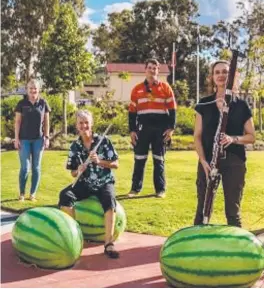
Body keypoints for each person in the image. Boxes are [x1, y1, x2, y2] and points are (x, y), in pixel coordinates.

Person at [193, 60, 255, 227]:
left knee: (233, 212)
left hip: (234, 162)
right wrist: (203, 161)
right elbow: (197, 136)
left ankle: (237, 250)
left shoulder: (241, 105)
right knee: (202, 210)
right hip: (208, 162)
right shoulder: (204, 104)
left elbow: (251, 136)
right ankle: (196, 247)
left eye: (225, 72)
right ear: (212, 77)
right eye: (217, 72)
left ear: (232, 76)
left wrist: (233, 139)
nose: (221, 75)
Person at [58, 110, 120, 258]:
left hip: (103, 181)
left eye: (86, 122)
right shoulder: (75, 146)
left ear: (91, 124)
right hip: (85, 183)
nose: (84, 125)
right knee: (65, 195)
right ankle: (74, 239)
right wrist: (78, 170)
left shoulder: (103, 141)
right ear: (76, 126)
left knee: (110, 200)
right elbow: (73, 173)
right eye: (81, 123)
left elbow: (115, 164)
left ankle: (108, 243)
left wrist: (99, 162)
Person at [127, 58, 177, 198]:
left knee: (159, 160)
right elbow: (132, 112)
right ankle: (135, 189)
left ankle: (160, 190)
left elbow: (172, 110)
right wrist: (132, 130)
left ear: (158, 70)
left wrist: (171, 128)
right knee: (139, 159)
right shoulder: (136, 90)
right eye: (149, 67)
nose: (152, 70)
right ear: (145, 70)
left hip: (160, 129)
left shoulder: (166, 87)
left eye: (154, 68)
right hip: (142, 128)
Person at [14, 79, 51, 202]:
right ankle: (22, 194)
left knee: (36, 168)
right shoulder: (21, 103)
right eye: (30, 88)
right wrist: (16, 138)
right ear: (27, 89)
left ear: (39, 89)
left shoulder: (43, 103)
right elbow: (17, 122)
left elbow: (46, 122)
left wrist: (46, 137)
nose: (33, 90)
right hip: (24, 140)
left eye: (35, 88)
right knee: (25, 168)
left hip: (38, 140)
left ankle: (33, 194)